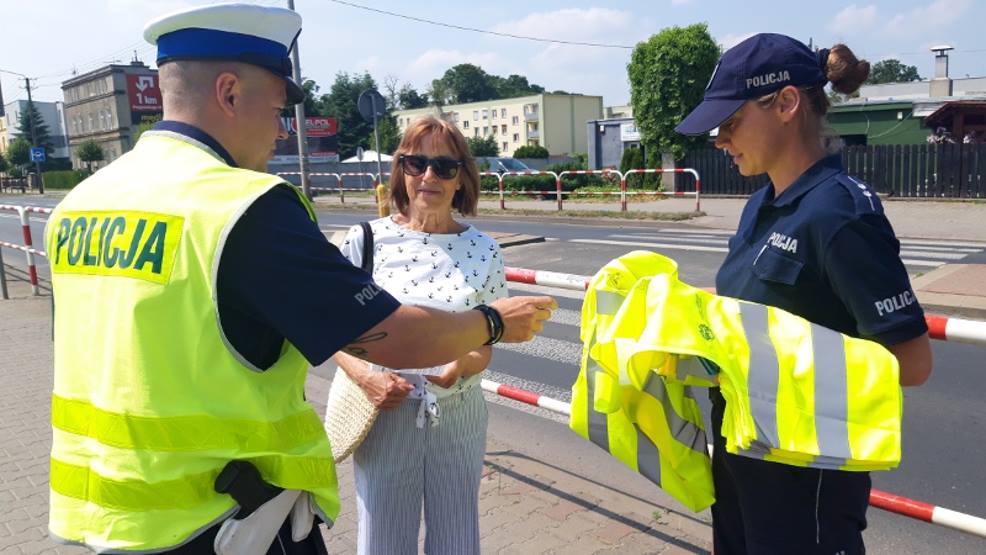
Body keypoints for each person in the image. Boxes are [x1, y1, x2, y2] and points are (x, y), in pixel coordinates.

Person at [43, 4, 555, 554]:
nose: (281, 127)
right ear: (230, 92)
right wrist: (494, 321)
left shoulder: (81, 202)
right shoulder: (243, 207)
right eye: (278, 107)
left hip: (112, 518)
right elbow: (388, 334)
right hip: (225, 517)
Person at [675, 33, 933, 554]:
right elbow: (764, 308)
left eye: (730, 121)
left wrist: (761, 358)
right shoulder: (763, 202)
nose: (720, 139)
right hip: (741, 451)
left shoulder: (839, 213)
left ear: (787, 103)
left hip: (806, 477)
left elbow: (912, 363)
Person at [332, 116, 503, 555]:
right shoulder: (366, 240)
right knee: (384, 540)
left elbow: (487, 344)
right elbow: (330, 328)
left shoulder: (484, 249)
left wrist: (462, 364)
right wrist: (366, 376)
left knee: (457, 539)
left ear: (462, 177)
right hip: (384, 412)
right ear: (401, 170)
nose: (428, 176)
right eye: (416, 163)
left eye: (443, 167)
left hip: (459, 412)